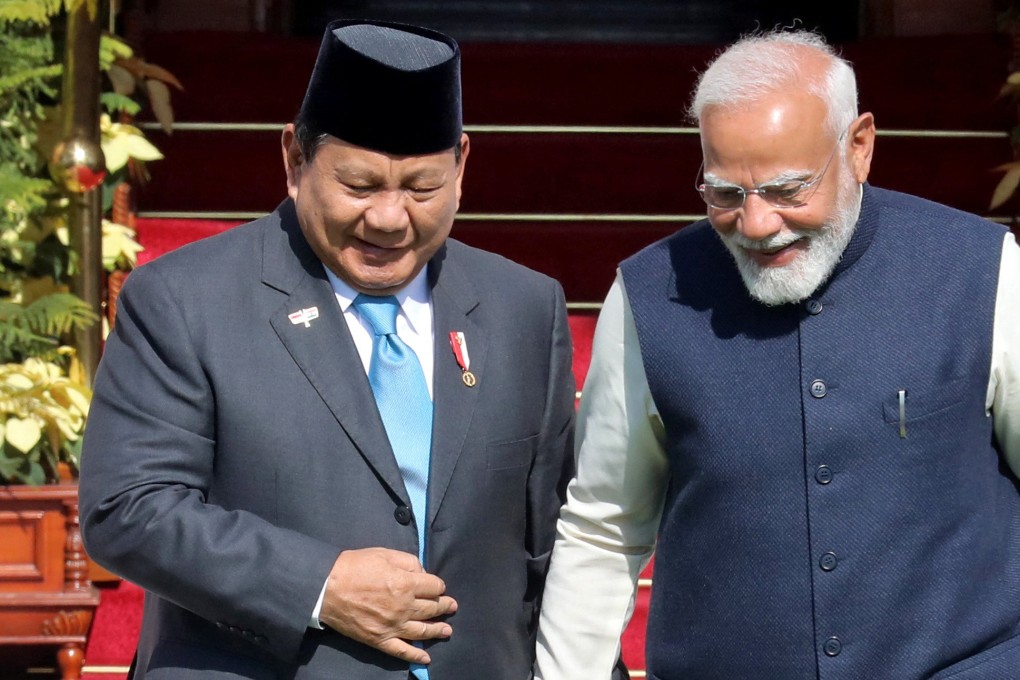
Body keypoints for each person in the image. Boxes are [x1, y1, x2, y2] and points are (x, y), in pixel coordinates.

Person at [79, 19, 576, 679]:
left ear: (462, 164)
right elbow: (128, 510)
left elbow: (557, 545)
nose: (390, 219)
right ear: (293, 159)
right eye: (360, 187)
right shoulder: (184, 299)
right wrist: (321, 584)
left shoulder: (523, 308)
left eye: (423, 189)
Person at [534, 28, 1020, 680]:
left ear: (859, 147)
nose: (758, 223)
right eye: (725, 194)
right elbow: (603, 529)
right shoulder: (650, 296)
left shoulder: (982, 273)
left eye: (789, 190)